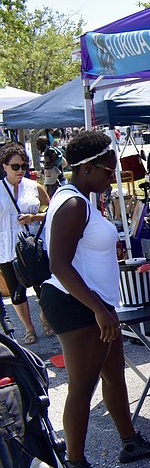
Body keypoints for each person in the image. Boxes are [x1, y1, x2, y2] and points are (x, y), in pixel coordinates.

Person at [40, 131, 150, 468]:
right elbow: (59, 264)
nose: (112, 174)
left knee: (114, 373)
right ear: (86, 168)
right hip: (79, 305)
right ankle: (75, 465)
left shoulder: (81, 198)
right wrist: (98, 309)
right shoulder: (72, 204)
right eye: (108, 167)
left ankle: (129, 442)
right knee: (82, 386)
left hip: (96, 303)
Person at [0, 142, 51, 344]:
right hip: (6, 245)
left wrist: (34, 217)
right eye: (15, 166)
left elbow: (50, 210)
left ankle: (45, 317)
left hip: (31, 244)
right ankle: (29, 328)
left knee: (43, 286)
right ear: (4, 166)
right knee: (16, 292)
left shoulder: (34, 187)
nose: (20, 170)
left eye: (24, 166)